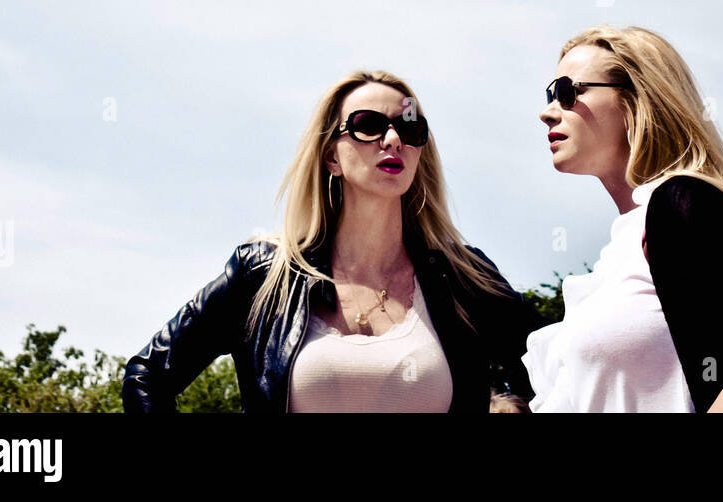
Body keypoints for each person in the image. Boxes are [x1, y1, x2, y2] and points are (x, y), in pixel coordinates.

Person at [122, 69, 543, 412]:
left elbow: (560, 373)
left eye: (409, 127)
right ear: (331, 157)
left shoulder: (463, 277)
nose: (393, 138)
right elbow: (147, 375)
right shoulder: (264, 273)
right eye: (368, 126)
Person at [523, 25, 723, 413]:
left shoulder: (681, 204)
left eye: (566, 91)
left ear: (636, 100)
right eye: (549, 95)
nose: (547, 112)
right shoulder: (619, 252)